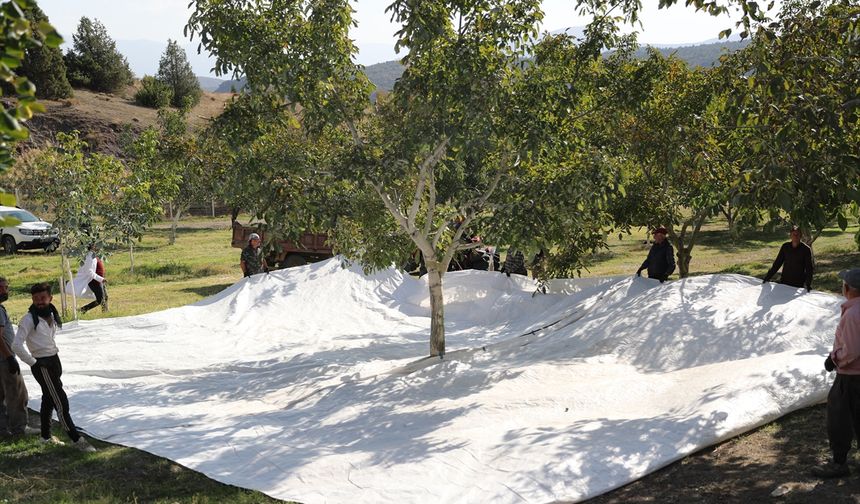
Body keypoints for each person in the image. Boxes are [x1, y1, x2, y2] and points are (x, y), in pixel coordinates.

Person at [11, 283, 96, 452]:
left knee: (48, 399)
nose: (39, 302)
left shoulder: (52, 314)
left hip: (54, 360)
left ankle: (45, 437)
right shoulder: (28, 319)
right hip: (41, 364)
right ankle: (76, 439)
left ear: (50, 298)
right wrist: (33, 362)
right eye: (35, 299)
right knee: (60, 401)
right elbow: (16, 345)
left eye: (43, 298)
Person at [813, 268, 860, 478]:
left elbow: (851, 350)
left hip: (850, 377)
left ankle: (839, 464)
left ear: (848, 288)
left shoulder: (852, 314)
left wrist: (834, 359)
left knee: (839, 419)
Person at [0, 277, 29, 438]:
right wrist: (9, 357)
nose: (6, 291)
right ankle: (19, 429)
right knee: (17, 395)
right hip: (4, 360)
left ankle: (2, 430)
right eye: (3, 288)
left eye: (6, 287)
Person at [763, 225, 814, 292]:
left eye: (797, 234)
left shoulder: (806, 249)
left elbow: (809, 268)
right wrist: (768, 277)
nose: (795, 236)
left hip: (798, 283)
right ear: (790, 236)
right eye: (793, 234)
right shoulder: (785, 247)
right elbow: (777, 263)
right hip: (785, 280)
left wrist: (808, 284)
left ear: (801, 236)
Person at [79, 243, 107, 313]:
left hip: (99, 280)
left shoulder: (95, 255)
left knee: (105, 297)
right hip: (94, 281)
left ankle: (105, 312)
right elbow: (89, 271)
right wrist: (100, 279)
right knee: (100, 299)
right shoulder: (90, 257)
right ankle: (83, 309)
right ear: (92, 247)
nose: (99, 246)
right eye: (96, 245)